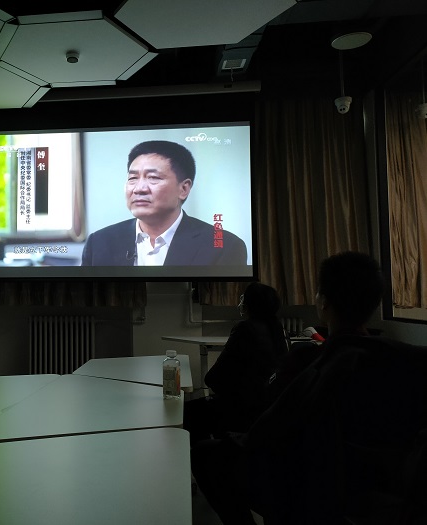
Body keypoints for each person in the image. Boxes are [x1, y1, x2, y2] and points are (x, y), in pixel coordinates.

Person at [190, 251, 390, 525]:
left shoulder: (309, 361)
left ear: (322, 302)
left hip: (303, 481)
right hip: (364, 488)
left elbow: (267, 430)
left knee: (204, 454)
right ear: (375, 304)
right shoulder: (392, 363)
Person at [81, 140, 247, 266]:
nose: (139, 189)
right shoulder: (99, 242)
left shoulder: (225, 247)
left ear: (183, 189)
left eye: (153, 177)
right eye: (133, 178)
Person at [184, 282, 288, 442]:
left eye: (243, 298)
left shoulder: (245, 329)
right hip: (265, 411)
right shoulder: (278, 329)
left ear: (249, 305)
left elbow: (213, 378)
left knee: (184, 413)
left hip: (240, 410)